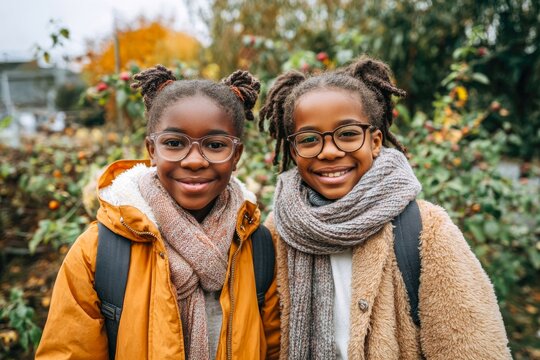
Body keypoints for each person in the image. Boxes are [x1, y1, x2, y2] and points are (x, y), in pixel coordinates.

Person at [259, 56, 510, 360]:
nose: (329, 151)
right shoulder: (278, 231)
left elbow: (473, 349)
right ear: (293, 150)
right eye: (309, 139)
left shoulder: (426, 231)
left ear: (375, 141)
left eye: (348, 134)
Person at [36, 65, 280, 360]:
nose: (193, 161)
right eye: (174, 143)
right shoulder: (99, 252)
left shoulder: (258, 248)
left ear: (236, 155)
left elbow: (275, 350)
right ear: (152, 150)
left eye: (215, 145)